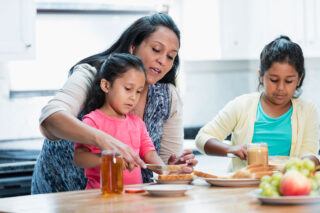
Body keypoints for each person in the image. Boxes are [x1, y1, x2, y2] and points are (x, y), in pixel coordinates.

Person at [31, 13, 197, 194]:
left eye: (171, 57)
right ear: (133, 47)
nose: (163, 61)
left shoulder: (167, 97)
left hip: (120, 202)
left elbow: (159, 167)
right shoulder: (91, 75)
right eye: (156, 49)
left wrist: (171, 170)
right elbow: (50, 120)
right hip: (60, 197)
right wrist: (104, 142)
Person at [195, 35, 320, 172]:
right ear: (261, 76)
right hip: (242, 187)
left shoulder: (307, 110)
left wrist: (308, 162)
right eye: (273, 80)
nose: (281, 88)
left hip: (286, 188)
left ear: (299, 79)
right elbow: (202, 138)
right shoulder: (241, 105)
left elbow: (310, 154)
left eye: (289, 81)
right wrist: (231, 149)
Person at [74, 53, 172, 188]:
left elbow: (150, 154)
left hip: (133, 198)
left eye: (138, 91)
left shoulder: (137, 124)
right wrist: (107, 159)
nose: (133, 97)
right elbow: (79, 159)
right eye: (128, 89)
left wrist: (168, 171)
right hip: (100, 198)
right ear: (106, 86)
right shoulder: (92, 121)